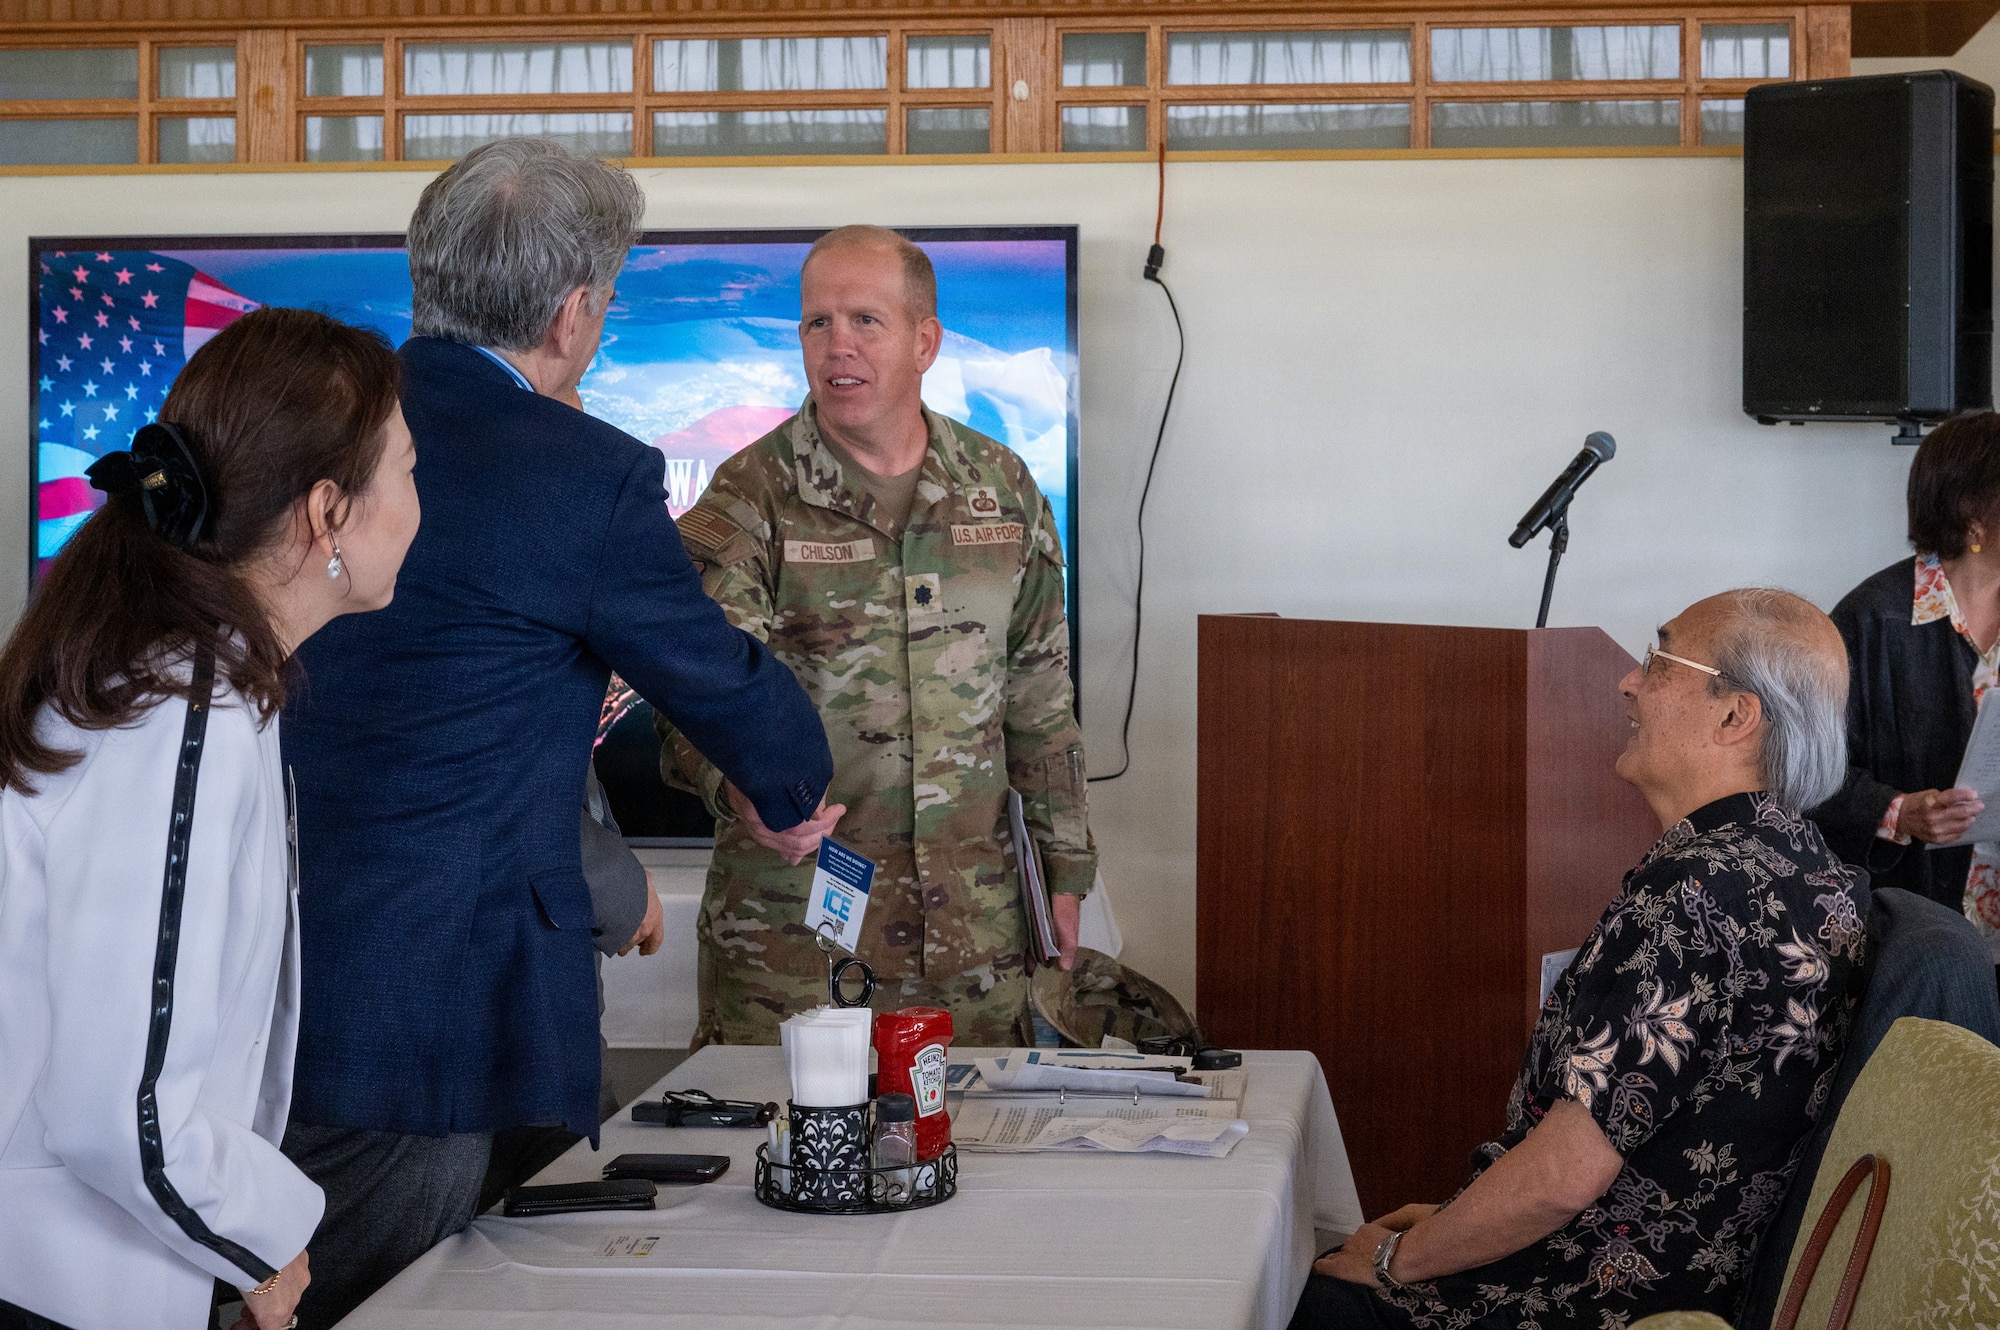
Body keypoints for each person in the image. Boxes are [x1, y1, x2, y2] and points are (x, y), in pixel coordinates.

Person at [278, 138, 834, 1327]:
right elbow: (716, 678)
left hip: (274, 971)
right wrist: (791, 789)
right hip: (445, 1006)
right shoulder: (578, 471)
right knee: (398, 1303)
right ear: (574, 310)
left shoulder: (300, 427)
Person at [0, 307, 419, 1330]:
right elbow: (125, 1113)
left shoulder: (191, 677)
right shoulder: (184, 707)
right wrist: (261, 1241)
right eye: (408, 470)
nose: (420, 502)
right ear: (327, 512)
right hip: (57, 1283)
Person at [1291, 589, 1869, 1328]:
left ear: (1735, 716)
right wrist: (1454, 1222)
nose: (1629, 681)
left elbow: (1564, 1178)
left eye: (1659, 661)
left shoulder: (1700, 891)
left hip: (1586, 1297)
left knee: (1299, 1293)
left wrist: (1394, 1262)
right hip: (1661, 1278)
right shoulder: (1806, 865)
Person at [661, 224, 1095, 1047]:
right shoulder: (749, 496)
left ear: (925, 341)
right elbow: (689, 691)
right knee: (781, 1131)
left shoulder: (1001, 489)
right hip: (795, 941)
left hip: (976, 936)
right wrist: (737, 789)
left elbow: (1041, 700)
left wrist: (1064, 872)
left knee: (975, 1130)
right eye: (817, 323)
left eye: (866, 320)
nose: (838, 346)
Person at [1812, 410, 2000, 969]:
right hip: (1919, 924)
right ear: (1973, 516)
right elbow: (1804, 772)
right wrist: (1898, 811)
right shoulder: (1870, 619)